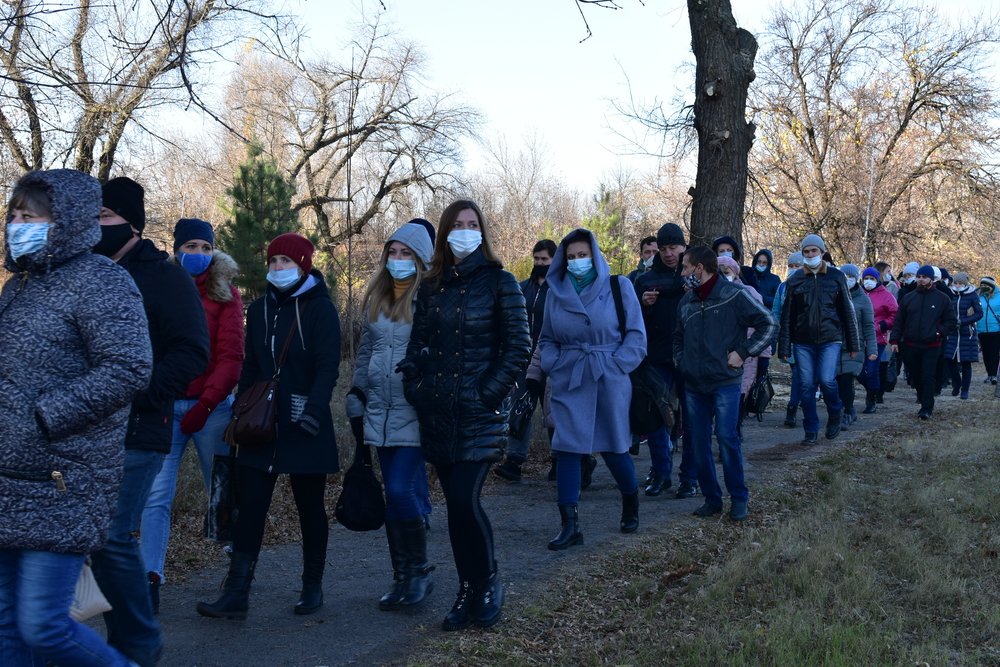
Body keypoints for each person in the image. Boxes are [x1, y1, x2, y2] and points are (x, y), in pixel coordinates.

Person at [0, 169, 153, 666]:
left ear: (64, 221)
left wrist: (46, 416)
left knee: (42, 627)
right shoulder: (17, 287)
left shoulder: (102, 280)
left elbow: (129, 367)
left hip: (64, 478)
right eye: (15, 215)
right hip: (9, 477)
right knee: (6, 630)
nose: (18, 224)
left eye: (32, 216)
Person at [92, 176, 209, 666]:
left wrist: (139, 392)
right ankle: (115, 637)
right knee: (92, 537)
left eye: (104, 218)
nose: (96, 228)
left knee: (112, 533)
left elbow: (193, 351)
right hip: (89, 429)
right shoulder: (88, 271)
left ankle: (139, 638)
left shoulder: (164, 276)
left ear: (131, 224)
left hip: (141, 425)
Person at [399, 200, 530, 631]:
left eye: (473, 224)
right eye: (457, 224)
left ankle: (488, 583)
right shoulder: (433, 286)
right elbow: (417, 345)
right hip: (438, 412)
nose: (465, 231)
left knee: (463, 499)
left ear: (483, 232)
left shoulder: (500, 282)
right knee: (454, 509)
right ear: (444, 232)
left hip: (478, 413)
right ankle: (467, 590)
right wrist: (415, 383)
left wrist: (485, 394)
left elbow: (518, 349)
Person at [197, 233, 341, 619]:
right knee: (250, 507)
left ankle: (312, 586)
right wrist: (240, 413)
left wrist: (313, 410)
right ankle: (237, 592)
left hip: (304, 422)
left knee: (310, 508)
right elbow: (250, 366)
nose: (278, 268)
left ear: (303, 265)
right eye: (273, 261)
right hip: (260, 424)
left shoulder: (320, 309)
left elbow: (328, 366)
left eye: (286, 262)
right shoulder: (259, 310)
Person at [140, 218, 244, 613]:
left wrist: (205, 404)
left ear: (212, 250)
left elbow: (232, 357)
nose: (197, 255)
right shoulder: (163, 288)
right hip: (166, 408)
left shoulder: (226, 294)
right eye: (190, 247)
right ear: (176, 249)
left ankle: (237, 576)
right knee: (155, 497)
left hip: (212, 410)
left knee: (222, 491)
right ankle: (150, 580)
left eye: (204, 247)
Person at [346, 220, 435, 611]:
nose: (398, 260)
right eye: (393, 253)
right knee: (393, 494)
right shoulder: (379, 297)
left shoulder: (431, 298)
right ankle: (401, 577)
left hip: (414, 408)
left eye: (407, 254)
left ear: (421, 259)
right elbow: (367, 351)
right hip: (378, 411)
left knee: (401, 489)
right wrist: (356, 389)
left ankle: (420, 572)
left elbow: (441, 350)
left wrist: (424, 375)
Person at [540, 228, 647, 551]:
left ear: (595, 255)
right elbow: (546, 338)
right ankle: (569, 524)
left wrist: (617, 365)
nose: (577, 262)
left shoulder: (619, 286)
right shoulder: (555, 292)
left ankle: (630, 500)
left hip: (608, 375)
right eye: (571, 257)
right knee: (568, 448)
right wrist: (554, 364)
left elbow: (636, 335)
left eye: (582, 255)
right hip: (570, 376)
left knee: (614, 447)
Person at [673, 246, 776, 521]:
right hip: (694, 384)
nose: (682, 273)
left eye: (685, 267)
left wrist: (742, 352)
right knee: (698, 441)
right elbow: (678, 337)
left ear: (699, 268)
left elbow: (768, 324)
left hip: (725, 382)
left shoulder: (735, 295)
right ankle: (712, 499)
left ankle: (739, 498)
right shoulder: (687, 302)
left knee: (728, 439)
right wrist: (682, 362)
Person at [778, 234, 861, 446]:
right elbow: (787, 315)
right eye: (806, 252)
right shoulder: (795, 280)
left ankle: (835, 412)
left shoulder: (836, 277)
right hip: (803, 341)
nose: (810, 255)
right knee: (806, 385)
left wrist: (853, 344)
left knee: (827, 380)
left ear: (822, 252)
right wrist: (784, 346)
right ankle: (811, 428)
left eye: (814, 251)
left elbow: (847, 313)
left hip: (830, 338)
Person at [633, 223, 688, 497]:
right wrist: (643, 303)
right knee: (655, 416)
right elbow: (631, 322)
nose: (668, 254)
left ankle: (689, 477)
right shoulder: (645, 280)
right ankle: (661, 473)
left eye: (673, 248)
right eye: (663, 249)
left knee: (691, 418)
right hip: (655, 356)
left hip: (689, 357)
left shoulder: (693, 274)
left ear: (683, 247)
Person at [495, 238, 557, 483]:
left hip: (550, 358)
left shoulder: (559, 289)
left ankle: (559, 459)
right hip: (524, 358)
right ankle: (514, 461)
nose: (540, 263)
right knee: (520, 407)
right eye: (537, 259)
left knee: (553, 410)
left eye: (545, 259)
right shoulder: (522, 288)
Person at [890, 265, 957, 419]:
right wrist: (894, 339)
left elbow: (951, 321)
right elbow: (899, 321)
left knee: (928, 375)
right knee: (915, 376)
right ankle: (922, 396)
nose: (920, 280)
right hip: (910, 345)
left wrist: (939, 332)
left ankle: (926, 408)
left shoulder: (942, 298)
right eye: (919, 277)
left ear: (931, 279)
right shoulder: (908, 297)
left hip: (931, 345)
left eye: (924, 277)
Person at [834, 265, 877, 429]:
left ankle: (848, 411)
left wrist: (872, 349)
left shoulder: (863, 299)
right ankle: (840, 409)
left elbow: (868, 326)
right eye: (844, 276)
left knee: (846, 379)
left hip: (854, 347)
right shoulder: (833, 296)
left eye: (850, 276)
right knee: (834, 380)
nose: (847, 279)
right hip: (833, 345)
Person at [772, 252, 804, 427]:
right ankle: (792, 406)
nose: (794, 269)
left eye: (797, 266)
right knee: (798, 374)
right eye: (791, 266)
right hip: (790, 338)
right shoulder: (782, 288)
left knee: (807, 376)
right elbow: (776, 312)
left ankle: (802, 404)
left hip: (808, 338)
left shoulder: (810, 284)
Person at [860, 266, 898, 412]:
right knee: (858, 370)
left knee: (872, 368)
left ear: (877, 280)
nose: (868, 281)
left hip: (877, 338)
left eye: (872, 279)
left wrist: (883, 325)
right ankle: (872, 389)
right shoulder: (858, 293)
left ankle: (871, 400)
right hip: (858, 338)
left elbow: (895, 313)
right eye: (866, 279)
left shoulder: (886, 295)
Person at [943, 272, 983, 400]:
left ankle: (965, 390)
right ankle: (957, 383)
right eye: (956, 283)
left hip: (967, 333)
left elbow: (979, 313)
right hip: (952, 333)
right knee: (950, 360)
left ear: (965, 284)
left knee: (966, 363)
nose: (958, 285)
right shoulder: (949, 294)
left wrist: (964, 321)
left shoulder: (972, 295)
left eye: (960, 283)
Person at [977, 276, 1000, 384]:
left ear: (991, 286)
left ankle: (994, 375)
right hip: (981, 329)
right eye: (982, 285)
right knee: (986, 353)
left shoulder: (999, 296)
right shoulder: (979, 297)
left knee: (994, 352)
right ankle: (989, 373)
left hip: (995, 328)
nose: (983, 287)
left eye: (985, 285)